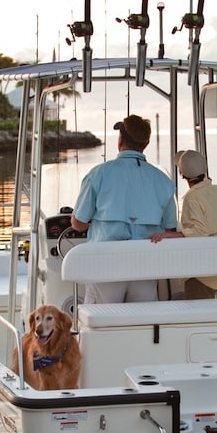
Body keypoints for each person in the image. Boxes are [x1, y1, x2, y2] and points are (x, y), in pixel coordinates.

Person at [70, 114, 178, 303]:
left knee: (101, 323)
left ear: (120, 139)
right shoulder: (164, 181)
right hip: (145, 267)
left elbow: (78, 224)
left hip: (106, 265)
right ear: (146, 142)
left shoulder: (98, 174)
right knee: (143, 325)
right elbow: (169, 230)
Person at [149, 149, 217, 299]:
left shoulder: (192, 197)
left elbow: (199, 231)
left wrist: (168, 234)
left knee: (196, 305)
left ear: (182, 175)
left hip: (202, 268)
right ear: (204, 170)